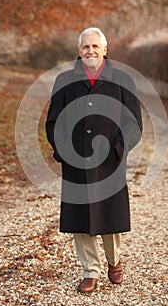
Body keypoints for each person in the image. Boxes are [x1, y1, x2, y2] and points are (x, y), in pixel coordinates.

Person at [46, 27, 142, 293]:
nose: (90, 51)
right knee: (81, 219)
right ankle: (90, 270)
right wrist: (65, 151)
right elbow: (55, 121)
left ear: (105, 50)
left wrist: (116, 152)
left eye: (95, 47)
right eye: (85, 47)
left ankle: (114, 260)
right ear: (79, 51)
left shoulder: (123, 80)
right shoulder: (65, 81)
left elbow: (133, 124)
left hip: (111, 163)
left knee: (110, 215)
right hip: (75, 163)